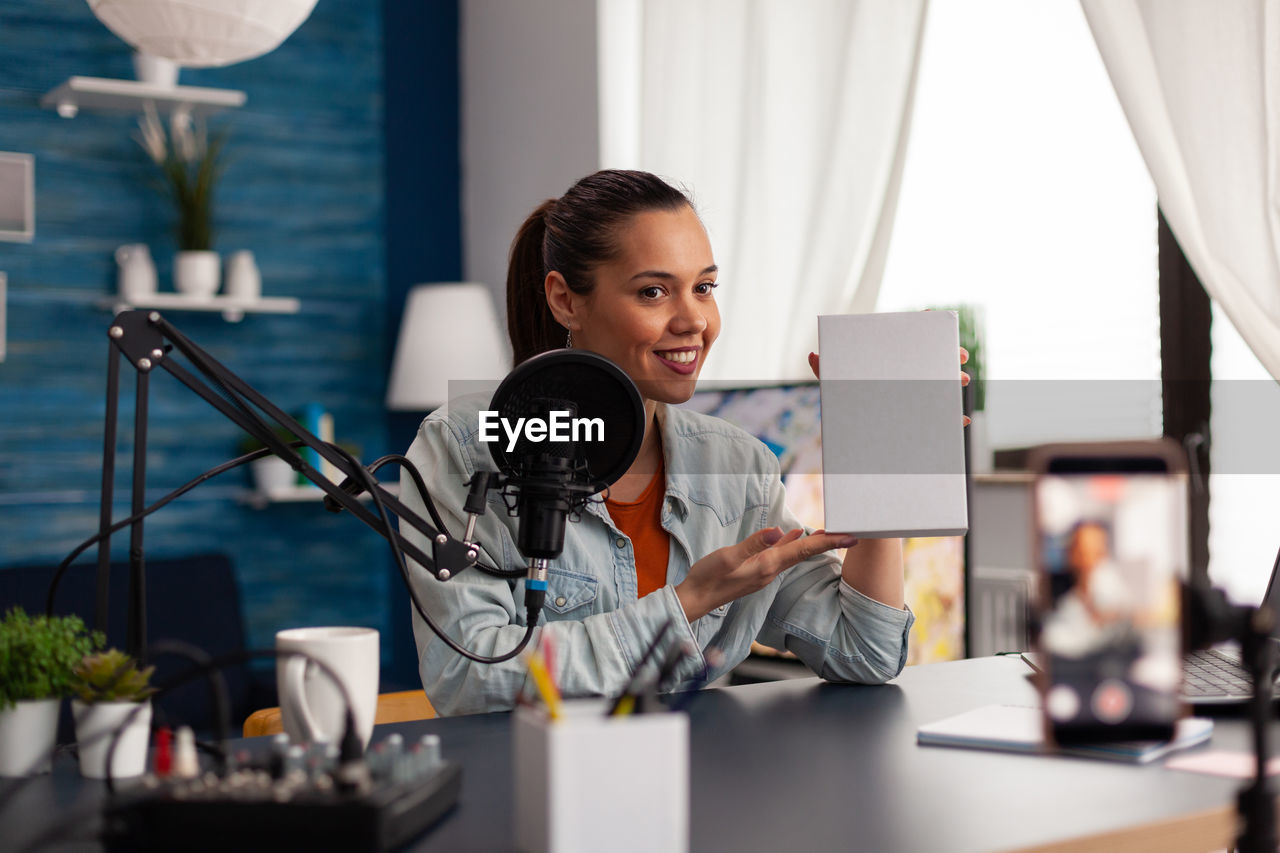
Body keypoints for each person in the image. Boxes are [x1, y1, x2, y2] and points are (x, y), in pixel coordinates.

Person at [402, 169, 961, 716]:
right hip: (536, 791)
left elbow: (866, 655)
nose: (694, 319)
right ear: (566, 300)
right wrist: (689, 601)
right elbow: (467, 677)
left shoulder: (735, 463)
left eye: (704, 288)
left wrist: (884, 462)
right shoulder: (463, 445)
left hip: (697, 789)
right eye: (653, 291)